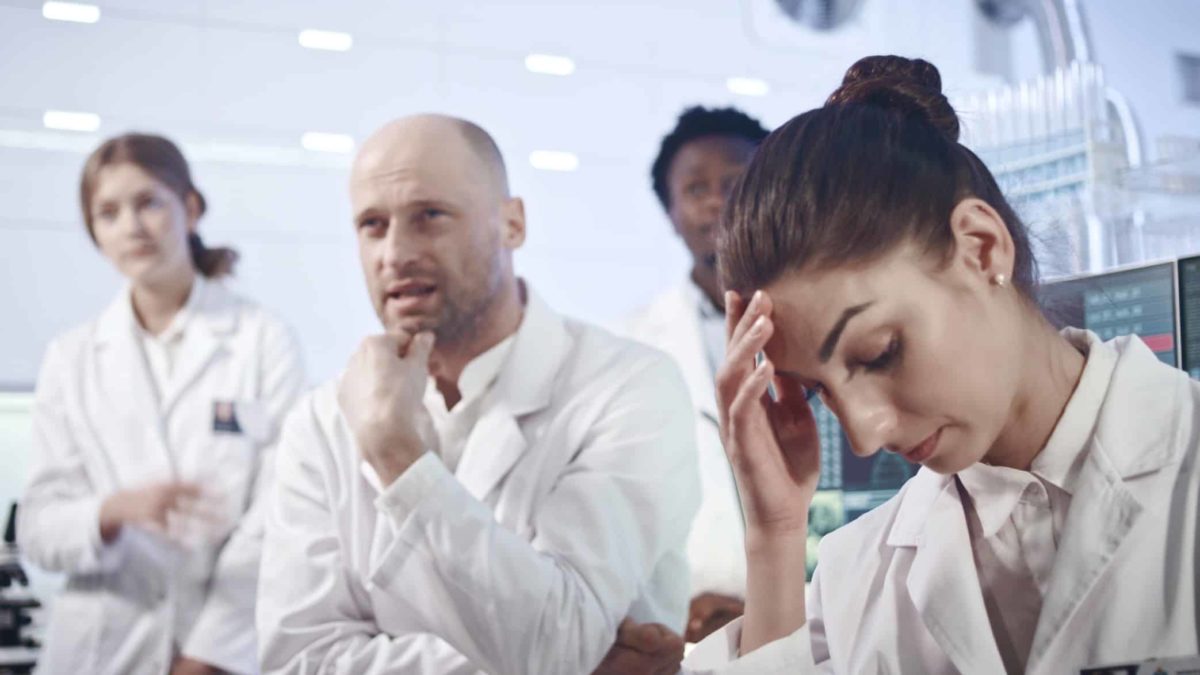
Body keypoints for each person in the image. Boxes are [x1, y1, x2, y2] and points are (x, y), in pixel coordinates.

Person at [683, 56, 1200, 673]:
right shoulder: (857, 573)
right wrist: (773, 535)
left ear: (982, 249)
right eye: (818, 391)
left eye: (879, 352)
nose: (867, 433)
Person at [256, 114, 699, 675]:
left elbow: (559, 640)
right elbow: (297, 660)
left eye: (430, 216)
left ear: (512, 223)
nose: (394, 253)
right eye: (372, 225)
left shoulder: (630, 387)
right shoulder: (320, 421)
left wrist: (398, 458)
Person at [19, 133, 306, 675]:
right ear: (94, 233)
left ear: (191, 208)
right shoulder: (72, 357)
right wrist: (112, 511)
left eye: (148, 202)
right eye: (107, 212)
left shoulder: (262, 340)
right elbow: (38, 527)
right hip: (97, 649)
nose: (131, 226)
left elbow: (282, 510)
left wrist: (209, 651)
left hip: (222, 646)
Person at [625, 106, 770, 644]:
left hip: (840, 613)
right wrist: (676, 605)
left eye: (737, 183)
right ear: (671, 213)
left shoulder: (834, 323)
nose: (718, 202)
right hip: (698, 624)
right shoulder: (632, 347)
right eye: (695, 189)